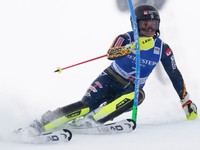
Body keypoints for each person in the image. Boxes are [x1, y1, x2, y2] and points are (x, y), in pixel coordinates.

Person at [28, 4, 198, 134]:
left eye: (153, 25)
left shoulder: (162, 48)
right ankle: (44, 122)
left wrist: (186, 101)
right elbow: (111, 53)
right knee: (85, 105)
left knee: (138, 96)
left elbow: (174, 74)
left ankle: (92, 121)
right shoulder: (125, 37)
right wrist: (130, 48)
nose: (149, 29)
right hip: (109, 78)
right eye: (145, 25)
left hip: (131, 87)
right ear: (135, 24)